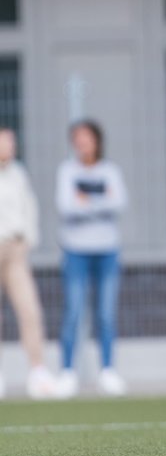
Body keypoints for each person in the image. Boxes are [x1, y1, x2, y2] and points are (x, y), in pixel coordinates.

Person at [55, 119, 128, 398]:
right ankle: (67, 373)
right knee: (73, 312)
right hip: (75, 251)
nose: (82, 143)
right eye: (78, 139)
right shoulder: (67, 170)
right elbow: (65, 207)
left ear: (97, 141)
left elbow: (119, 202)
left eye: (87, 138)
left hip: (107, 250)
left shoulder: (110, 170)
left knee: (106, 313)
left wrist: (85, 201)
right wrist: (101, 201)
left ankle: (108, 371)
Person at [0, 127, 57, 399]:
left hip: (15, 250)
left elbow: (29, 208)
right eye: (5, 142)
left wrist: (28, 241)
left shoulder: (18, 173)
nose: (9, 147)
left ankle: (38, 373)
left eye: (11, 142)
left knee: (29, 310)